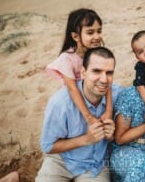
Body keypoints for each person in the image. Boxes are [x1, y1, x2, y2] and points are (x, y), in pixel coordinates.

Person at [36, 47, 122, 182]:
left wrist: (112, 136)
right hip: (61, 161)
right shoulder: (60, 103)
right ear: (83, 72)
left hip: (95, 165)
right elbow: (48, 146)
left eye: (109, 73)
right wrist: (86, 139)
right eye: (97, 71)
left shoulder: (118, 95)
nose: (104, 79)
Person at [46, 8, 113, 126]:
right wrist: (89, 117)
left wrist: (108, 111)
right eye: (90, 32)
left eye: (99, 31)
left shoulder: (97, 53)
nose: (97, 36)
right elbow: (72, 89)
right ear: (76, 36)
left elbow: (107, 81)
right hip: (77, 98)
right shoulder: (67, 59)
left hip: (95, 92)